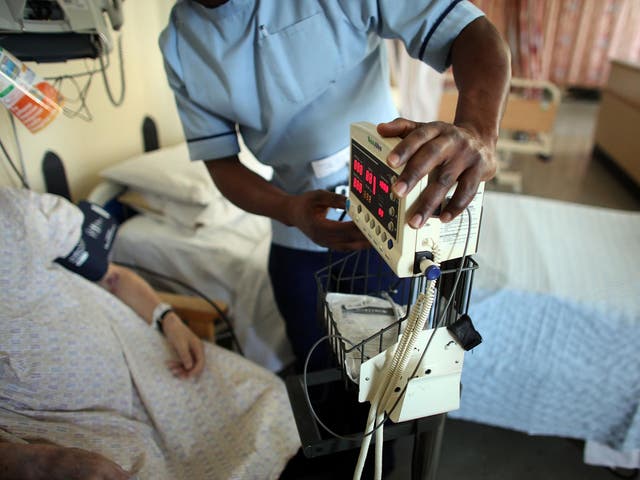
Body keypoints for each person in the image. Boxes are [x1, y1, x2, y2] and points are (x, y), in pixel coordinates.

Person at [159, 0, 511, 370]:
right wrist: (290, 211)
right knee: (317, 375)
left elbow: (472, 31)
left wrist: (478, 129)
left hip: (389, 210)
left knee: (395, 376)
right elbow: (220, 161)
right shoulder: (181, 42)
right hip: (295, 230)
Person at [0, 186, 300, 479]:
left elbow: (112, 276)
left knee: (269, 398)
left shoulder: (15, 213)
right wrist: (39, 462)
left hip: (147, 363)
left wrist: (168, 320)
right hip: (74, 425)